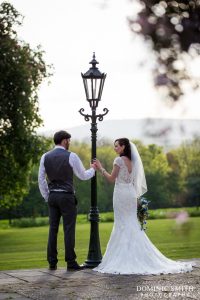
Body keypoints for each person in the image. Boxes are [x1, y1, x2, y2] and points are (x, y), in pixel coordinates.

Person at [93, 138, 195, 275]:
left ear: (123, 147)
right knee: (131, 223)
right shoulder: (133, 162)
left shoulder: (118, 161)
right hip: (130, 194)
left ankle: (125, 259)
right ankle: (135, 256)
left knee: (122, 224)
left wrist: (100, 168)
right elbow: (135, 183)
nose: (114, 148)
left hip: (121, 194)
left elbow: (111, 179)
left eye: (117, 146)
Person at [38, 130, 96, 271]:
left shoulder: (45, 156)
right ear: (64, 141)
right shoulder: (71, 156)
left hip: (52, 197)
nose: (69, 143)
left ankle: (52, 262)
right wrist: (93, 169)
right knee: (69, 229)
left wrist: (47, 196)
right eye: (69, 140)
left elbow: (41, 179)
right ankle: (71, 262)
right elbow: (82, 175)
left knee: (53, 229)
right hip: (66, 196)